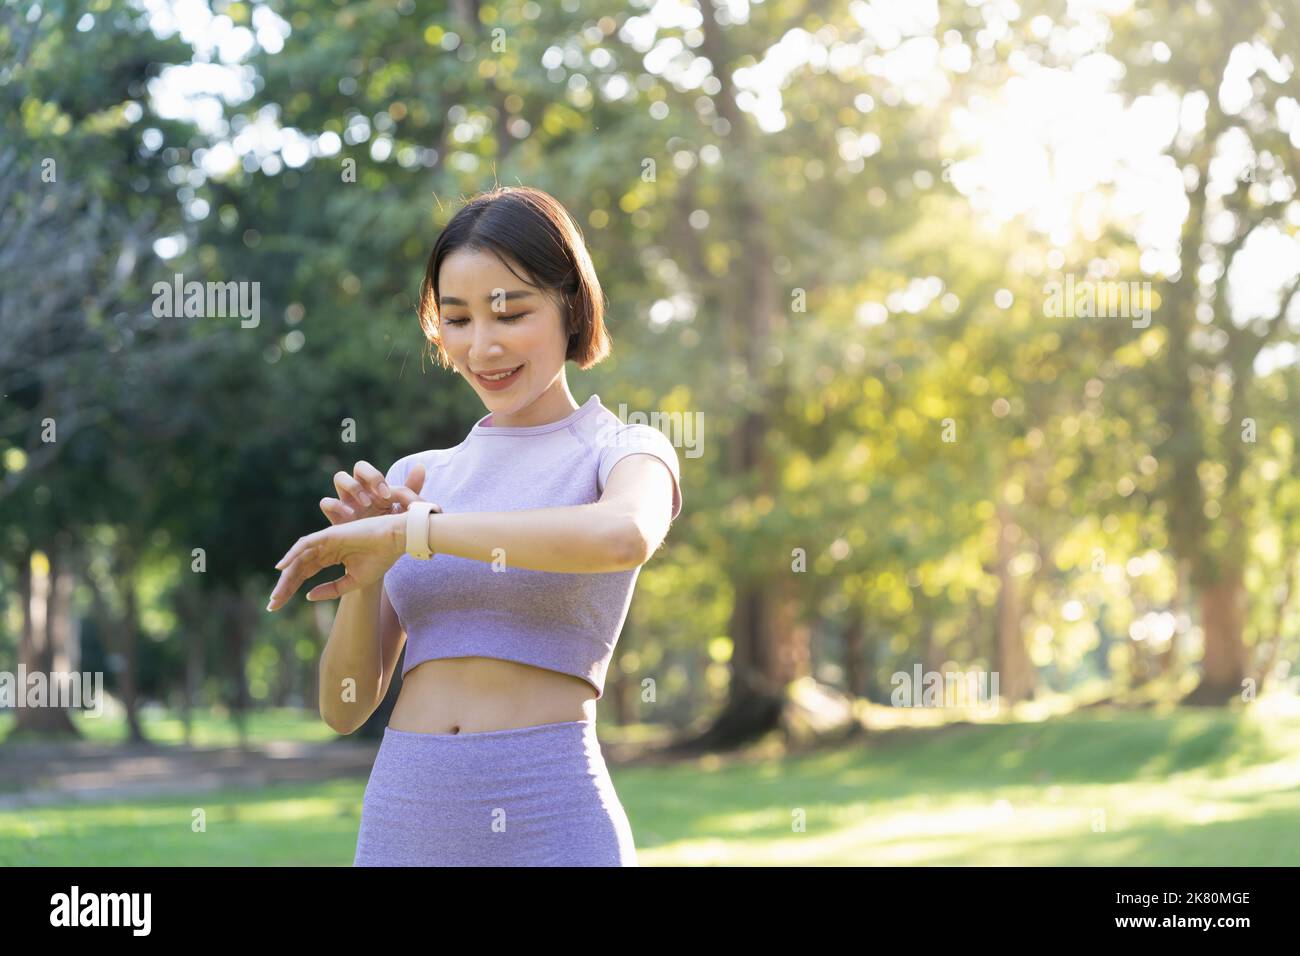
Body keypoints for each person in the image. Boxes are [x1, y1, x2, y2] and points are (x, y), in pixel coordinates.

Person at [265, 186, 683, 866]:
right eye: (456, 320)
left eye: (510, 313)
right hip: (408, 812)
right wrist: (366, 578)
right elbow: (344, 711)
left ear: (571, 306)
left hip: (552, 810)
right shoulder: (422, 476)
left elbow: (622, 537)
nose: (482, 347)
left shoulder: (625, 450)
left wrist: (416, 533)